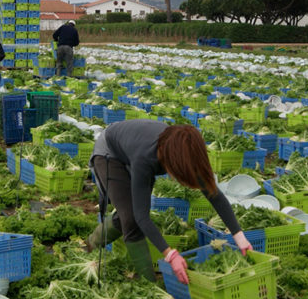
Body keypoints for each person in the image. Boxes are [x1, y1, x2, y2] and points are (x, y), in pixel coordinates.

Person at [85, 120, 253, 283]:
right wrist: (170, 254)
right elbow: (142, 217)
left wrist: (238, 236)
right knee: (131, 217)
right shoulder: (146, 159)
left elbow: (213, 194)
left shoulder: (185, 150)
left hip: (132, 145)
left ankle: (91, 243)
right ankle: (148, 284)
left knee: (129, 212)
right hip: (109, 153)